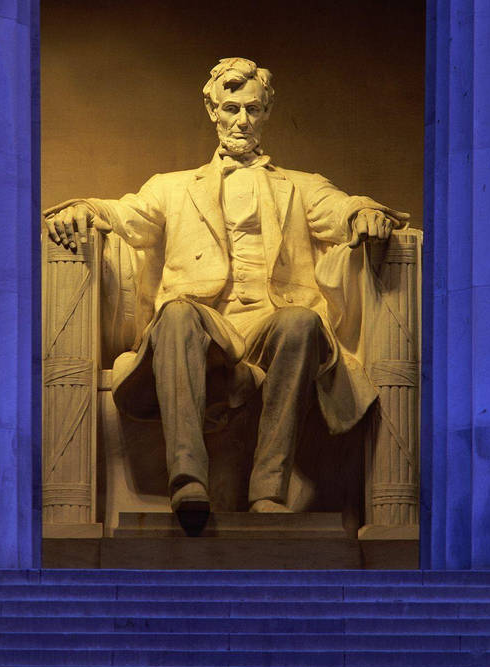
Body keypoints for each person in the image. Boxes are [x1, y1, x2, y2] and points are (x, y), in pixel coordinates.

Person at [45, 58, 408, 530]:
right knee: (175, 314)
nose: (242, 121)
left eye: (253, 110)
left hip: (271, 323)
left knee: (302, 321)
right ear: (213, 110)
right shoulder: (172, 188)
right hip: (203, 323)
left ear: (266, 114)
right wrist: (84, 208)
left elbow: (341, 209)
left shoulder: (300, 186)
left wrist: (363, 213)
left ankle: (267, 491)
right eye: (232, 108)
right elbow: (125, 214)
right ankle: (187, 481)